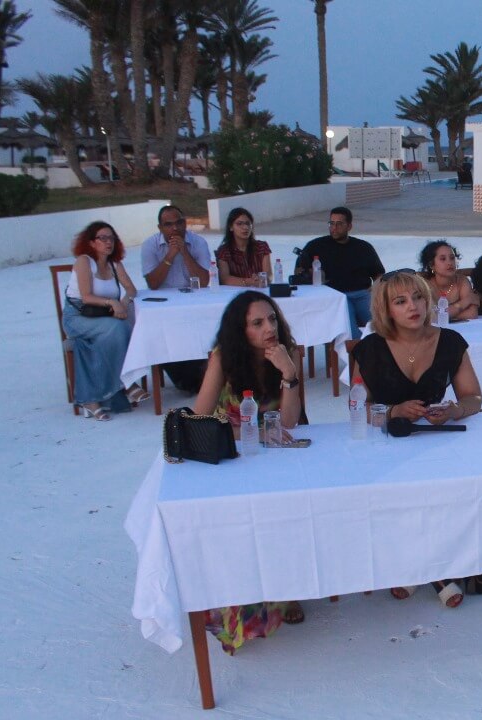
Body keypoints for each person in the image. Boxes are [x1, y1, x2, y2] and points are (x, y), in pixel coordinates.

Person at [350, 270, 482, 607]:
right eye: (401, 301)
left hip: (435, 438)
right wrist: (393, 411)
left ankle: (423, 568)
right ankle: (433, 573)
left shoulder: (450, 341)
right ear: (386, 310)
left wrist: (454, 410)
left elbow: (474, 397)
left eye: (418, 297)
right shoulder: (369, 348)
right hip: (384, 443)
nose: (413, 306)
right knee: (397, 497)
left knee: (449, 494)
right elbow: (356, 408)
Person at [192, 290, 305, 653]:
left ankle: (286, 589)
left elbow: (290, 421)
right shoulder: (224, 357)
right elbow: (200, 417)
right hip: (232, 454)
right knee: (238, 522)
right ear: (241, 331)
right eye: (257, 323)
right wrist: (248, 432)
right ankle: (241, 599)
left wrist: (289, 374)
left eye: (271, 319)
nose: (269, 328)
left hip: (276, 456)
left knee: (287, 511)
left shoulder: (288, 353)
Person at [62, 221, 147, 420]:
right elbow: (86, 297)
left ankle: (90, 399)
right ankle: (127, 383)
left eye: (111, 238)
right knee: (118, 328)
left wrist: (123, 303)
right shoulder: (84, 261)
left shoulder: (115, 264)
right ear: (92, 242)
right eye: (102, 238)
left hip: (102, 317)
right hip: (77, 317)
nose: (108, 242)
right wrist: (112, 302)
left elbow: (131, 290)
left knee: (122, 327)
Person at [141, 204, 211, 393]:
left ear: (185, 223)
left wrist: (184, 252)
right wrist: (170, 256)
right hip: (164, 306)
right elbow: (153, 283)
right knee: (162, 331)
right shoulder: (150, 246)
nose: (175, 228)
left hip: (194, 302)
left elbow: (204, 281)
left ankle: (208, 373)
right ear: (160, 228)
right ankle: (183, 377)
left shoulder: (198, 242)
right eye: (168, 224)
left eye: (179, 222)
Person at [294, 206, 385, 339]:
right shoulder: (315, 246)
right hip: (335, 297)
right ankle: (358, 350)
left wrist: (376, 289)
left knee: (382, 326)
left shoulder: (363, 247)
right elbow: (298, 272)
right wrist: (310, 274)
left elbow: (379, 274)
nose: (334, 228)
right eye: (331, 223)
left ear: (349, 226)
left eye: (339, 224)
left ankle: (382, 349)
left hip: (362, 294)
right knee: (349, 330)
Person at [419, 239, 479, 321]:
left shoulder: (462, 281)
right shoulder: (426, 285)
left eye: (452, 258)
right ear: (431, 265)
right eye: (443, 259)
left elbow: (472, 314)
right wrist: (465, 302)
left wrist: (444, 314)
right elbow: (432, 316)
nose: (449, 263)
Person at [214, 207, 272, 287]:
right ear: (231, 227)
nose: (245, 227)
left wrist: (261, 279)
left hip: (259, 290)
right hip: (233, 292)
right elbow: (224, 279)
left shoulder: (261, 247)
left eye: (248, 223)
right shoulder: (224, 251)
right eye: (239, 224)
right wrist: (249, 281)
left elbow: (268, 275)